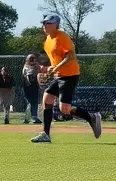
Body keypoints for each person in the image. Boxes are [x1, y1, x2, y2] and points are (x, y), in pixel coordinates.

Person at [32, 13, 102, 144]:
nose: (45, 26)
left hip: (69, 75)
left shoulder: (62, 37)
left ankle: (91, 117)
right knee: (47, 99)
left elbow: (70, 57)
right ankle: (46, 134)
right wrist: (47, 68)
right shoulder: (48, 40)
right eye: (44, 23)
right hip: (59, 75)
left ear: (56, 25)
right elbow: (56, 61)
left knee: (65, 109)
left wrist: (56, 67)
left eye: (48, 23)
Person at [21, 54, 42, 125]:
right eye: (31, 59)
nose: (32, 60)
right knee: (29, 102)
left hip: (34, 87)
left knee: (35, 102)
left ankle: (34, 117)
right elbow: (26, 78)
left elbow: (38, 73)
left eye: (33, 59)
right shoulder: (26, 67)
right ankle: (27, 118)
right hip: (28, 87)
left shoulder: (36, 66)